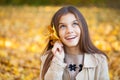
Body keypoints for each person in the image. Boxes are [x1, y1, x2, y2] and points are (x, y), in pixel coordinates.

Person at [39, 6, 110, 80]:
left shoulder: (99, 60)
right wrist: (57, 61)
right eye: (62, 26)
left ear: (83, 27)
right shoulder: (48, 59)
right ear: (56, 33)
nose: (69, 30)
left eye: (75, 24)